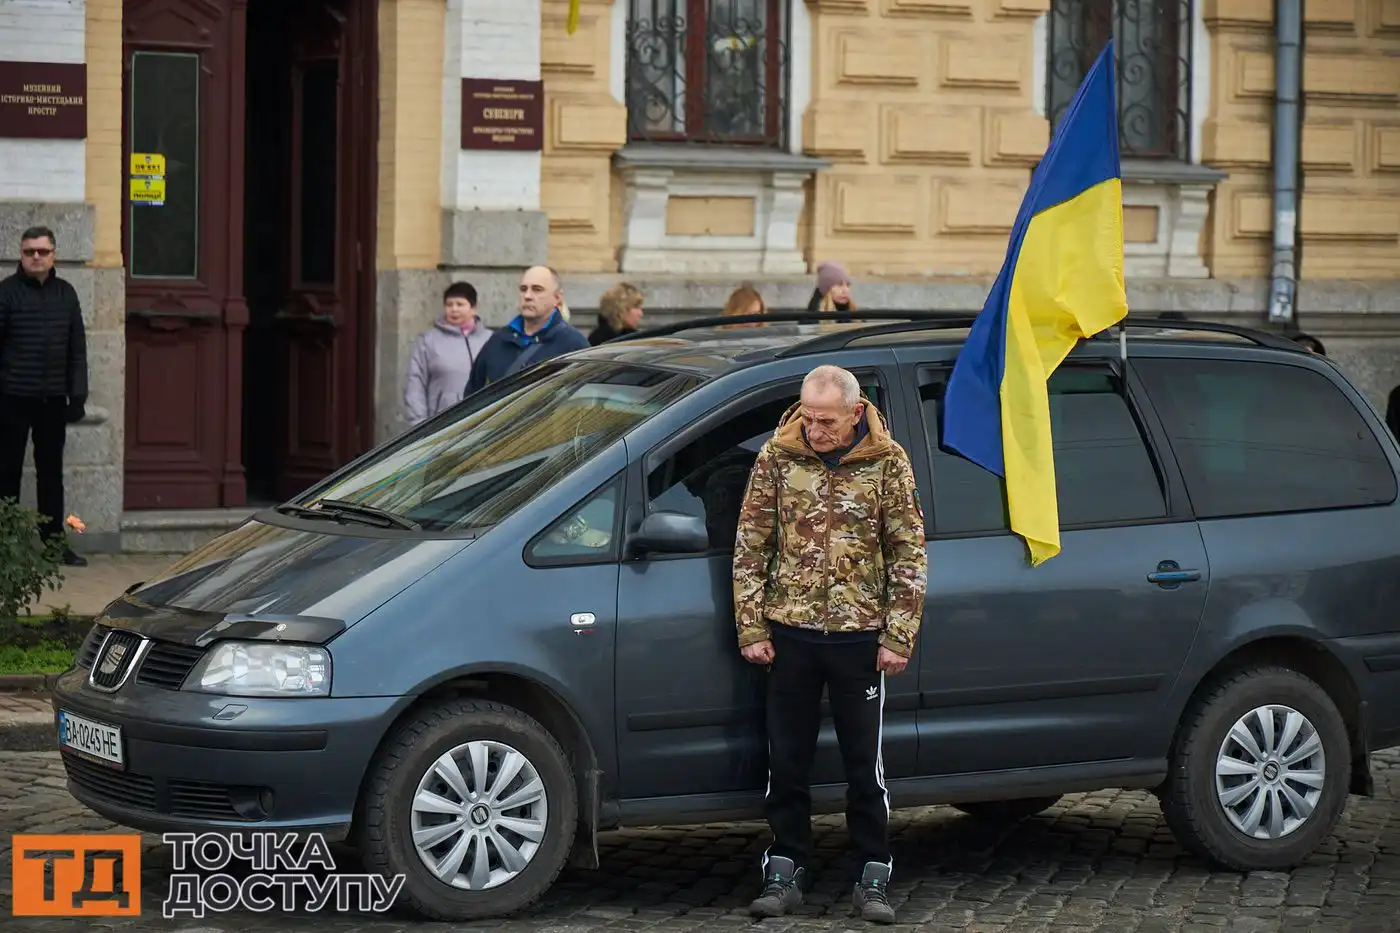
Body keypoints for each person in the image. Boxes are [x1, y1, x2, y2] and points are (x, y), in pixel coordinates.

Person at [733, 364, 927, 924]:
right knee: (786, 759)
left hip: (858, 638)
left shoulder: (888, 463)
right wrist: (752, 626)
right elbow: (751, 545)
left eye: (827, 422)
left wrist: (898, 633)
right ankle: (785, 864)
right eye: (809, 419)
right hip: (789, 633)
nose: (815, 431)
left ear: (855, 411)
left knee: (864, 764)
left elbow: (908, 553)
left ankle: (873, 872)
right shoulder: (776, 457)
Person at [0, 225, 89, 566]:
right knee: (7, 473)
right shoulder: (6, 293)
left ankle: (54, 546)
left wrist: (77, 396)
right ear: (20, 255)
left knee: (51, 475)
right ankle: (6, 547)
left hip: (53, 400)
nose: (36, 257)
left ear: (54, 255)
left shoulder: (66, 294)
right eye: (29, 252)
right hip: (12, 399)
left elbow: (76, 349)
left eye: (42, 251)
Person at [465, 265, 589, 394]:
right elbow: (472, 394)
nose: (527, 296)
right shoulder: (498, 340)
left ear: (557, 298)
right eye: (523, 289)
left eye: (537, 289)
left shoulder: (573, 344)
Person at [402, 281, 493, 427]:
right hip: (440, 425)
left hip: (481, 424)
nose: (454, 309)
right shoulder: (428, 341)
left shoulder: (490, 340)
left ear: (473, 308)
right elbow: (415, 383)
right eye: (449, 305)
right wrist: (419, 424)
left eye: (460, 304)